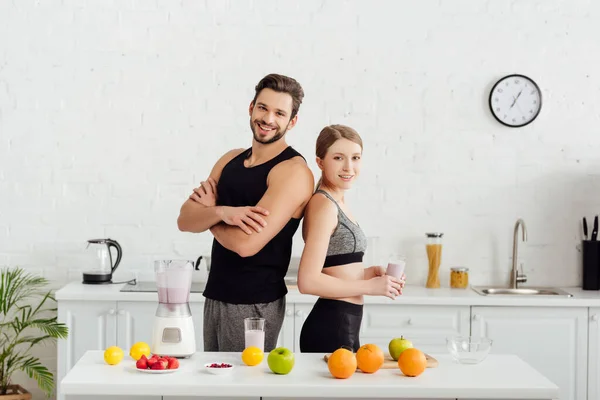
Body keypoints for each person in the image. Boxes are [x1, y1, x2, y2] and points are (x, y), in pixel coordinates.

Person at [177, 73, 314, 352]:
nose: (268, 118)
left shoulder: (293, 171)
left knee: (243, 390)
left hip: (254, 304)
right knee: (215, 389)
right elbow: (185, 219)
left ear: (292, 121)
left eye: (279, 113)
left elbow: (245, 244)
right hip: (216, 295)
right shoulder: (230, 159)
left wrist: (212, 214)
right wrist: (224, 212)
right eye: (263, 108)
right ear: (251, 108)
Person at [297, 124, 405, 353]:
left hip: (345, 322)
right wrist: (369, 286)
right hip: (332, 325)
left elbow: (335, 271)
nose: (349, 167)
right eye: (338, 157)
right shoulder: (324, 204)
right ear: (320, 162)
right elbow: (307, 281)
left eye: (355, 158)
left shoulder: (338, 203)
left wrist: (370, 274)